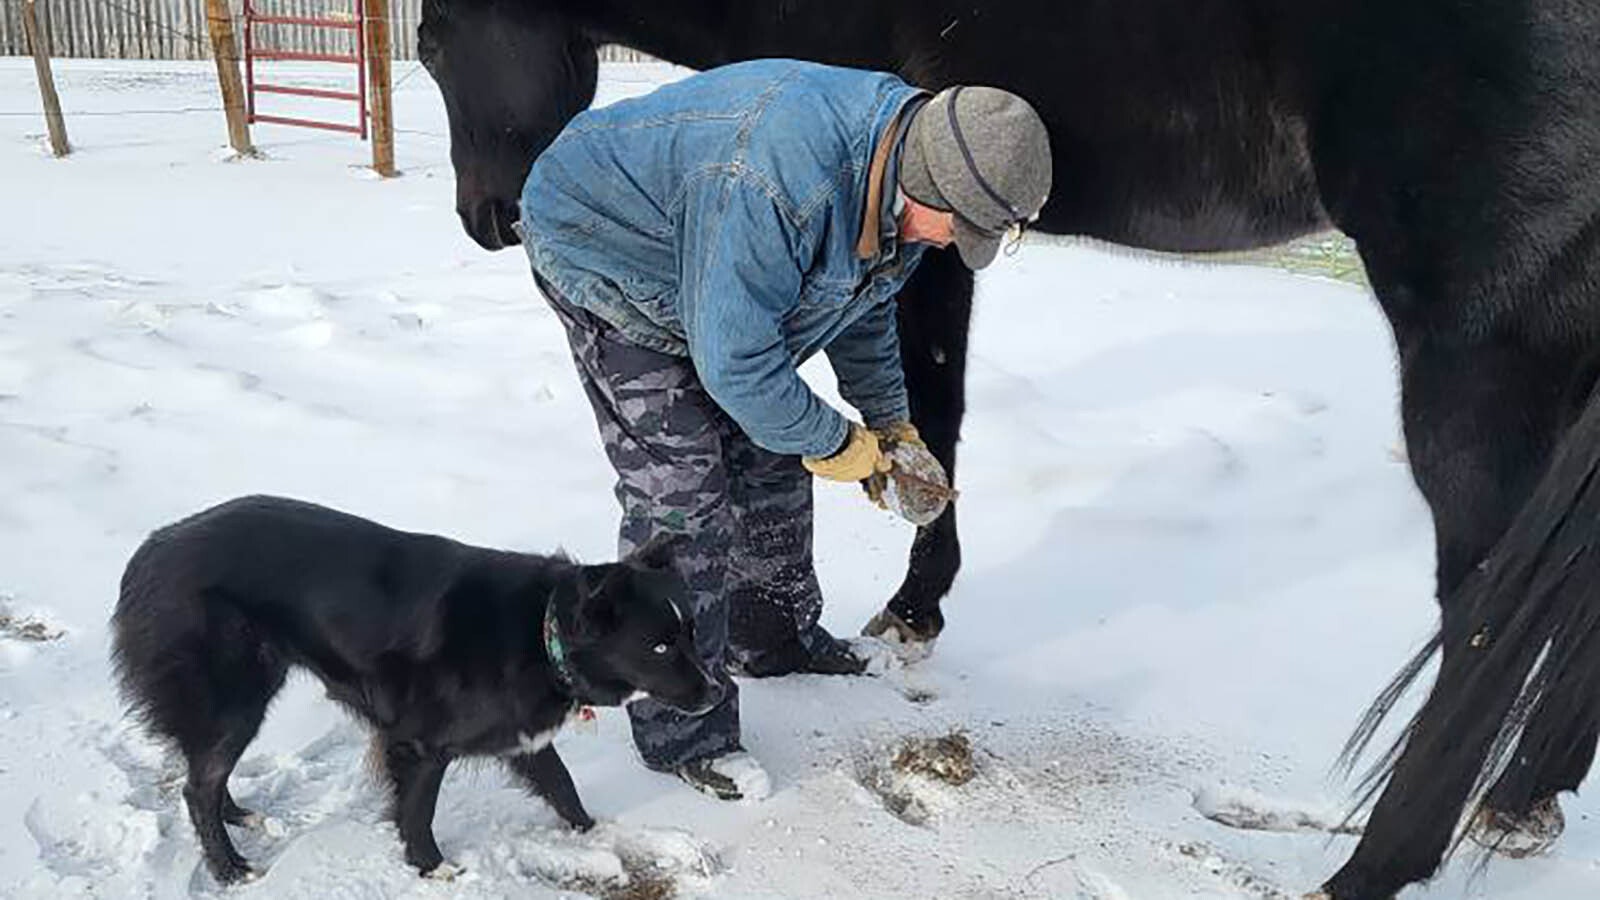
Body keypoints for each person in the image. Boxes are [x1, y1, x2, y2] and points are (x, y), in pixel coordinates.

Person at [517, 59, 1051, 800]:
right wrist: (842, 448)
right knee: (685, 496)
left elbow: (859, 308)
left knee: (773, 442)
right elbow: (735, 364)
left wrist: (889, 426)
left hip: (712, 258)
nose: (956, 244)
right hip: (606, 249)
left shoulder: (902, 173)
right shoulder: (781, 187)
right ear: (926, 185)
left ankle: (771, 638)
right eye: (962, 228)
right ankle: (684, 732)